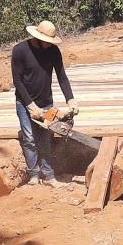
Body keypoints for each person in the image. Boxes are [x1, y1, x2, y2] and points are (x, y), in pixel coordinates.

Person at [11, 20, 79, 187]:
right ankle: (33, 175)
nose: (50, 45)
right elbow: (17, 81)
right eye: (47, 42)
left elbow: (62, 77)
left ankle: (49, 176)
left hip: (46, 103)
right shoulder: (20, 51)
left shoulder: (53, 51)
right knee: (29, 139)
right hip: (24, 103)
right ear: (38, 38)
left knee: (46, 138)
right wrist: (31, 106)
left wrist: (71, 99)